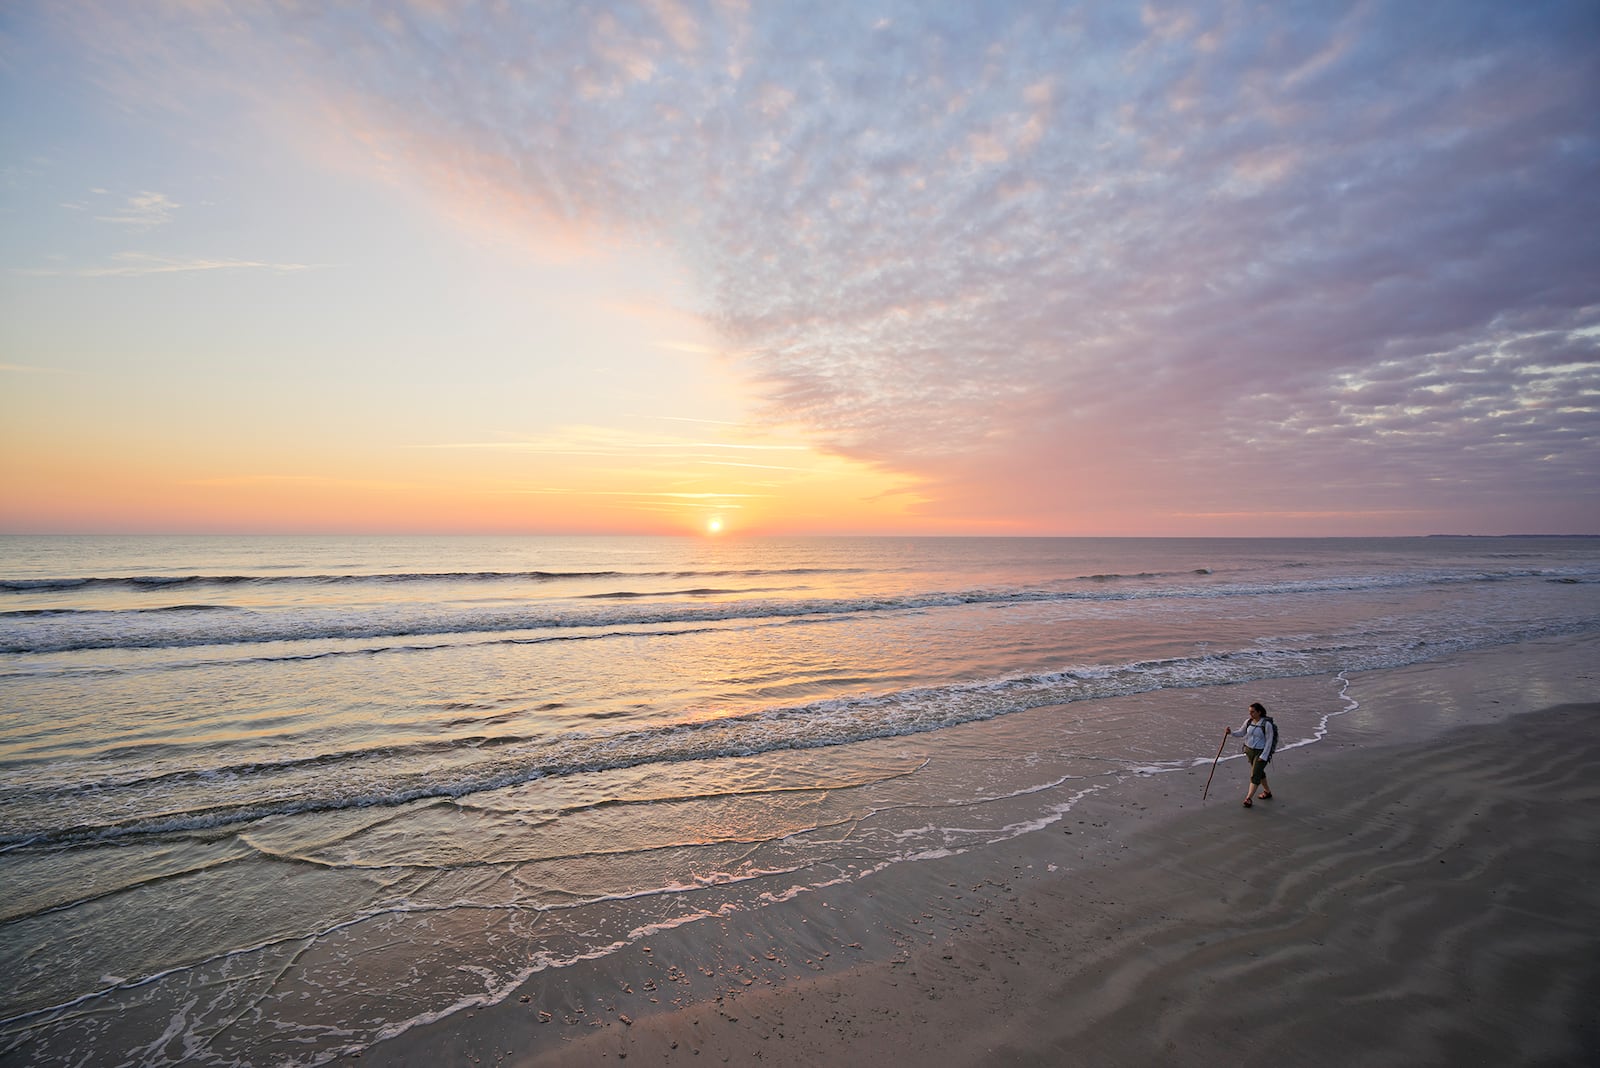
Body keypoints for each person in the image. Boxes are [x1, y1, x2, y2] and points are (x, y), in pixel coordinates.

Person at [1226, 701, 1277, 807]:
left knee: (1255, 774)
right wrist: (1231, 733)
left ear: (1259, 712)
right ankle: (1267, 792)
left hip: (1261, 752)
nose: (1250, 714)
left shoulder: (1266, 724)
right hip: (1249, 751)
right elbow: (1241, 733)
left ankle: (1248, 798)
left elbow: (1269, 741)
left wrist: (1264, 756)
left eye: (1253, 712)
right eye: (1250, 712)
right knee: (1259, 772)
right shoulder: (1248, 722)